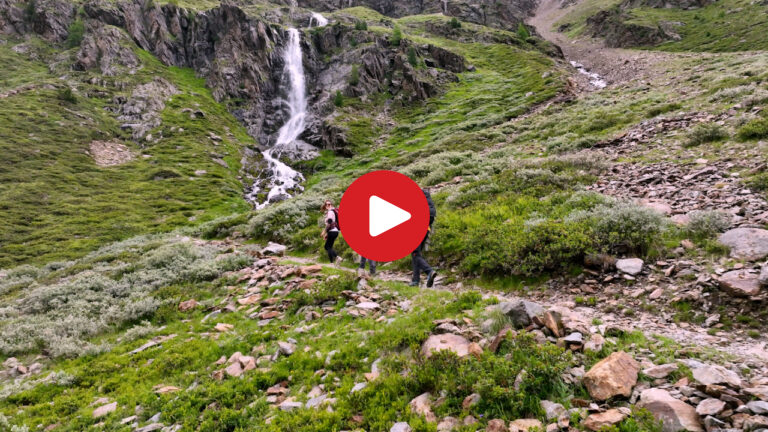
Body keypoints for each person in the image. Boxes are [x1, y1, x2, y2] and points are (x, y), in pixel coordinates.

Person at [410, 188, 437, 287]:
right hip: (426, 228)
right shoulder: (427, 198)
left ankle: (429, 271)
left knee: (415, 253)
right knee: (416, 254)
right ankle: (415, 280)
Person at [321, 200, 342, 265]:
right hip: (335, 231)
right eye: (326, 204)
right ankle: (332, 263)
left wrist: (324, 231)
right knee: (329, 247)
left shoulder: (330, 212)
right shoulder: (334, 211)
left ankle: (337, 257)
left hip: (332, 231)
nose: (327, 206)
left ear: (331, 205)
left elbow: (330, 222)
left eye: (329, 204)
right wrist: (327, 234)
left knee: (327, 247)